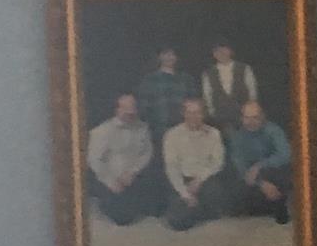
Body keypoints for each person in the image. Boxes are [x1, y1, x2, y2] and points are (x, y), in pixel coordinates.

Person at [85, 93, 161, 224]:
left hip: (134, 176)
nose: (130, 111)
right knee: (123, 218)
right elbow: (94, 161)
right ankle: (106, 201)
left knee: (157, 209)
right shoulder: (101, 131)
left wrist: (133, 172)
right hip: (111, 179)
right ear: (117, 110)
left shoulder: (143, 128)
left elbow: (147, 153)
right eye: (126, 108)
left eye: (133, 108)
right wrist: (111, 182)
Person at [162, 96, 229, 231]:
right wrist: (185, 194)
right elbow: (172, 168)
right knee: (177, 222)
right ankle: (192, 207)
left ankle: (196, 209)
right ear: (183, 114)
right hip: (181, 180)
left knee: (216, 207)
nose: (193, 117)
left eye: (197, 112)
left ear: (204, 114)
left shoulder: (214, 133)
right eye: (189, 113)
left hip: (204, 180)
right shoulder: (172, 135)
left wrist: (199, 180)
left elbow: (218, 162)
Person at [223, 100, 294, 224]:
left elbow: (285, 155)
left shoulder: (274, 130)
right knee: (234, 188)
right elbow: (240, 165)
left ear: (262, 117)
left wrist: (259, 165)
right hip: (251, 178)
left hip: (272, 172)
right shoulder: (237, 137)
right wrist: (261, 183)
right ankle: (266, 203)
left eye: (255, 117)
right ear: (241, 118)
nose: (250, 122)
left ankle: (276, 203)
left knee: (280, 171)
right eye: (247, 118)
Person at [136, 46, 197, 142]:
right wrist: (151, 126)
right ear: (159, 57)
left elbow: (194, 104)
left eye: (172, 54)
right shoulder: (149, 79)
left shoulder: (187, 79)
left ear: (177, 57)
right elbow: (143, 107)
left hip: (184, 131)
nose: (169, 57)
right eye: (166, 54)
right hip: (158, 131)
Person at [201, 39, 258, 129]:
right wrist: (213, 116)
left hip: (243, 119)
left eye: (224, 49)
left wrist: (250, 114)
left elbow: (252, 93)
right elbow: (207, 97)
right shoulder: (208, 73)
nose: (221, 53)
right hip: (220, 121)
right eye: (217, 51)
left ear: (230, 51)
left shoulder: (245, 68)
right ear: (214, 54)